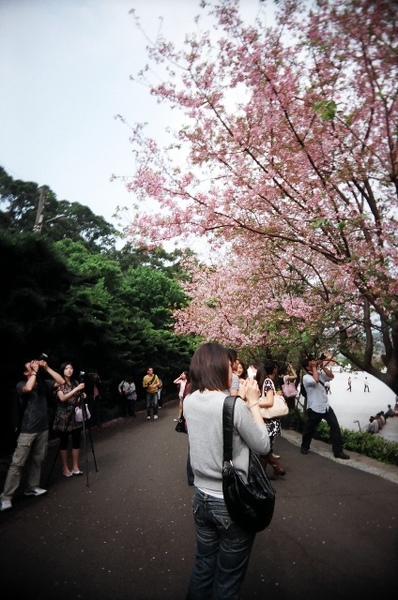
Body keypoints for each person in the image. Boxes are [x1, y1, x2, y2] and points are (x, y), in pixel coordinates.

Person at [183, 342, 270, 599]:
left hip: (201, 498)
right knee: (227, 579)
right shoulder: (232, 406)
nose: (234, 371)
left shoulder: (189, 401)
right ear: (219, 367)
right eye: (230, 366)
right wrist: (253, 403)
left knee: (203, 566)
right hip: (230, 502)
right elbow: (263, 445)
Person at [0, 357, 65, 511]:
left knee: (38, 460)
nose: (34, 365)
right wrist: (35, 371)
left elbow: (62, 382)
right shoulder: (21, 384)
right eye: (30, 365)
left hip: (43, 428)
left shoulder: (43, 384)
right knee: (18, 463)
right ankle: (6, 496)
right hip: (27, 430)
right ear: (25, 372)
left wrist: (47, 368)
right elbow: (28, 389)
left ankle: (32, 487)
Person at [300, 357, 350, 459]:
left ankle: (338, 451)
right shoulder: (306, 378)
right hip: (314, 408)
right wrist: (314, 368)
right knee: (310, 429)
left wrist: (322, 366)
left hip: (326, 406)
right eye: (311, 363)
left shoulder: (318, 372)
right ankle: (304, 446)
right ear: (307, 367)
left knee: (335, 427)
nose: (314, 364)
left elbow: (331, 376)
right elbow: (316, 381)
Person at [52, 362, 86, 477]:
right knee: (64, 442)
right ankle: (65, 467)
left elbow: (76, 399)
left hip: (75, 416)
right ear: (62, 370)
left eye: (71, 368)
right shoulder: (59, 383)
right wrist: (76, 389)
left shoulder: (75, 382)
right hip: (63, 417)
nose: (69, 370)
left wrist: (81, 396)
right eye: (66, 368)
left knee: (77, 440)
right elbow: (62, 398)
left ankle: (75, 466)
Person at [256, 360, 286, 479]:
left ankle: (270, 471)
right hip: (268, 421)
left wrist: (253, 403)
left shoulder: (266, 382)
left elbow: (269, 402)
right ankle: (275, 468)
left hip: (269, 421)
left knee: (264, 448)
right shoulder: (265, 382)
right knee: (265, 448)